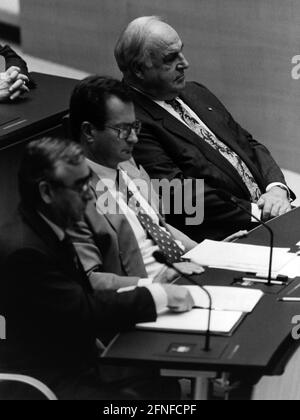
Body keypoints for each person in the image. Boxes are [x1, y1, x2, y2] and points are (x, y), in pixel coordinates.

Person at [0, 137, 194, 400]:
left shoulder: (47, 224)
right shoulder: (26, 251)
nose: (90, 194)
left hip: (73, 358)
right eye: (80, 186)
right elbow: (83, 308)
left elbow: (75, 299)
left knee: (160, 385)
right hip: (42, 380)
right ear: (46, 192)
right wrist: (158, 295)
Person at [114, 16, 294, 241]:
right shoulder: (129, 120)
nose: (185, 63)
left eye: (181, 51)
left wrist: (277, 190)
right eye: (171, 58)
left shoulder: (196, 92)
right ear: (139, 69)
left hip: (273, 214)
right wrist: (260, 212)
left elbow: (248, 143)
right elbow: (177, 193)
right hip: (229, 235)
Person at [69, 75, 205, 291]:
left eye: (135, 127)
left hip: (186, 275)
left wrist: (208, 255)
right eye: (123, 129)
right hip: (149, 299)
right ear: (89, 131)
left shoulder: (125, 163)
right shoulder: (72, 194)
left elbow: (160, 227)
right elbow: (90, 280)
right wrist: (153, 284)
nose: (134, 138)